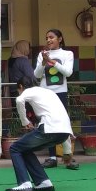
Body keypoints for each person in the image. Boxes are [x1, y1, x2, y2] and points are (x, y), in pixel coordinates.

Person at [6, 77, 72, 191]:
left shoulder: (29, 91)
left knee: (15, 148)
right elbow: (62, 119)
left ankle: (24, 184)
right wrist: (67, 151)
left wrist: (24, 122)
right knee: (25, 149)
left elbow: (19, 100)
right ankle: (43, 182)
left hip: (49, 128)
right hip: (64, 132)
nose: (19, 92)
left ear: (21, 86)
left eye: (18, 90)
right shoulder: (49, 92)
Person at [34, 28, 78, 170]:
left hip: (60, 92)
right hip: (45, 93)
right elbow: (37, 75)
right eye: (47, 38)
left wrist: (52, 62)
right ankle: (52, 157)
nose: (48, 40)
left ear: (60, 39)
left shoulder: (67, 54)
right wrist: (43, 61)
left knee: (63, 122)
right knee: (48, 123)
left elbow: (68, 72)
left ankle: (68, 156)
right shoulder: (42, 54)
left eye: (51, 37)